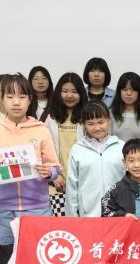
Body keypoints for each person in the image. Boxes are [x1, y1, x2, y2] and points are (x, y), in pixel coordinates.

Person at [0, 74, 60, 245]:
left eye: (22, 97)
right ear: (2, 99)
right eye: (10, 97)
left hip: (37, 207)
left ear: (30, 100)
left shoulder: (41, 130)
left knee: (36, 252)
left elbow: (55, 167)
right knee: (3, 253)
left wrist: (49, 172)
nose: (16, 102)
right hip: (3, 208)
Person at [66, 102, 125, 217]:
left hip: (118, 214)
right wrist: (72, 217)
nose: (97, 128)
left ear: (109, 120)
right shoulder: (77, 149)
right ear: (84, 124)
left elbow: (131, 181)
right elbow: (72, 187)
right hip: (88, 215)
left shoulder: (121, 147)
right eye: (90, 124)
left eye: (101, 122)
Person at [42, 72, 87, 214]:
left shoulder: (87, 117)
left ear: (81, 94)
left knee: (84, 223)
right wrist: (54, 175)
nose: (69, 95)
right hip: (57, 183)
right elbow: (43, 150)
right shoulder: (50, 118)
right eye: (65, 91)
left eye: (74, 91)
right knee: (62, 223)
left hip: (83, 182)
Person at [110, 72, 140, 143]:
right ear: (119, 91)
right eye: (125, 89)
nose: (129, 93)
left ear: (139, 92)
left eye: (133, 90)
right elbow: (107, 141)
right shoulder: (110, 114)